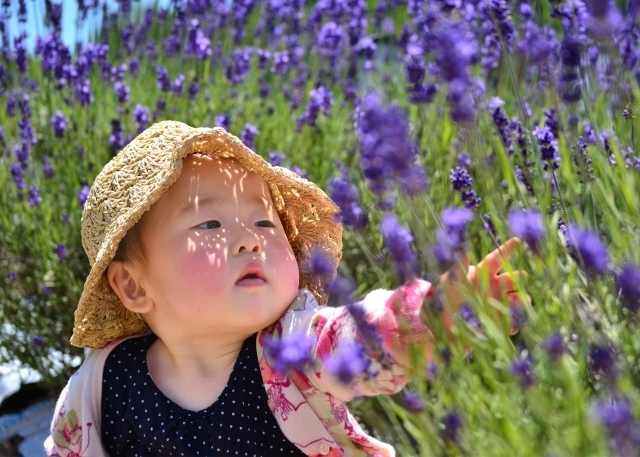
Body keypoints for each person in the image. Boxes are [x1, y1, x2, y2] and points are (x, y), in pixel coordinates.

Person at [45, 120, 525, 457]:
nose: (250, 239)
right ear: (132, 284)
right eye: (209, 223)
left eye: (263, 221)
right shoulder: (105, 383)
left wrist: (432, 314)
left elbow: (358, 337)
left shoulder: (291, 348)